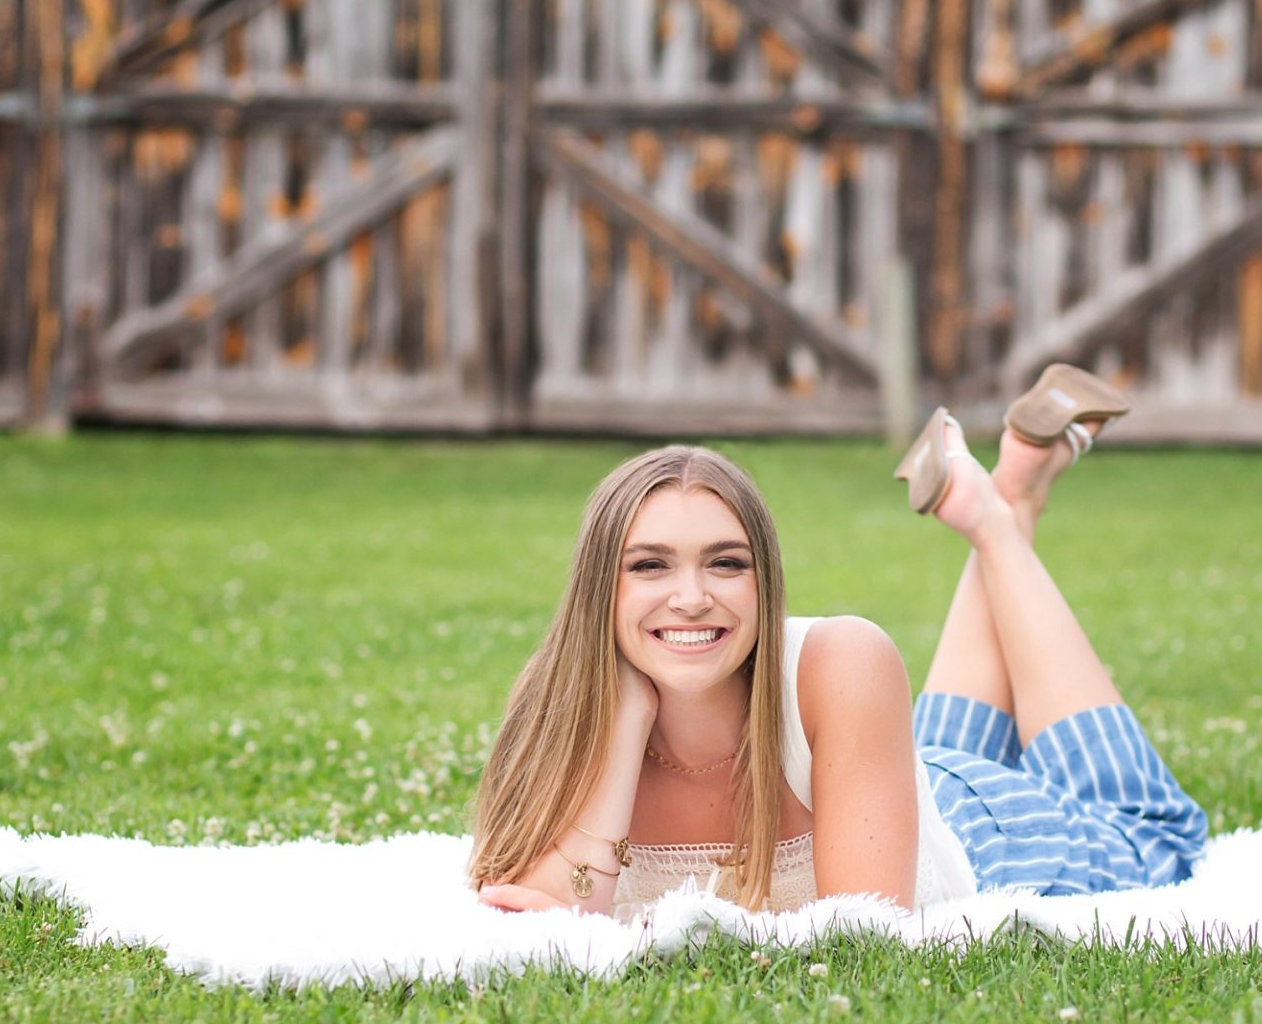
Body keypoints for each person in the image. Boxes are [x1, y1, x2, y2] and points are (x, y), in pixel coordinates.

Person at [468, 366, 1209, 919]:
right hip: (882, 774)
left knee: (1158, 835)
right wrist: (624, 719)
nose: (691, 597)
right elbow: (539, 924)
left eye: (727, 563)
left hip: (972, 832)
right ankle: (1009, 488)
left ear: (766, 583)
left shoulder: (839, 660)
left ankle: (991, 516)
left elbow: (858, 935)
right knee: (943, 756)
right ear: (600, 588)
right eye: (649, 565)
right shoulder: (558, 700)